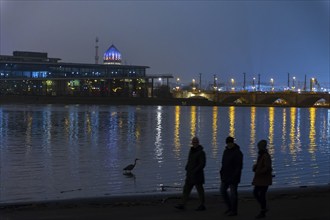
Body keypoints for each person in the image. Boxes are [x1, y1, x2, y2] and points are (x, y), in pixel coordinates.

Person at [175, 137, 206, 211]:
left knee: (200, 190)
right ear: (192, 143)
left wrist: (195, 170)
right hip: (190, 174)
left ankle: (202, 204)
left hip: (197, 175)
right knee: (186, 190)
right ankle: (183, 204)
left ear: (198, 143)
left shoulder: (201, 152)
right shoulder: (191, 150)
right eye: (193, 142)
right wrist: (187, 167)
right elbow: (189, 161)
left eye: (196, 142)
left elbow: (202, 164)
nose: (194, 143)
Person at [220, 136, 243, 216]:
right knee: (222, 191)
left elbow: (239, 166)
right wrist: (221, 172)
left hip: (233, 176)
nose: (229, 144)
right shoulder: (226, 151)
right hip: (225, 175)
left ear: (233, 143)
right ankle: (230, 207)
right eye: (228, 143)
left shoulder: (237, 152)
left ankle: (234, 210)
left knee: (233, 194)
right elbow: (223, 163)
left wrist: (234, 176)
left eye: (230, 143)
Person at [252, 140, 273, 219]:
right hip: (261, 178)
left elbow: (267, 167)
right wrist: (255, 167)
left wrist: (258, 171)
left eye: (259, 147)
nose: (258, 148)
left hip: (263, 178)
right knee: (258, 194)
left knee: (259, 194)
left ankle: (263, 210)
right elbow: (262, 165)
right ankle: (263, 209)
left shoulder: (265, 156)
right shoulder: (261, 155)